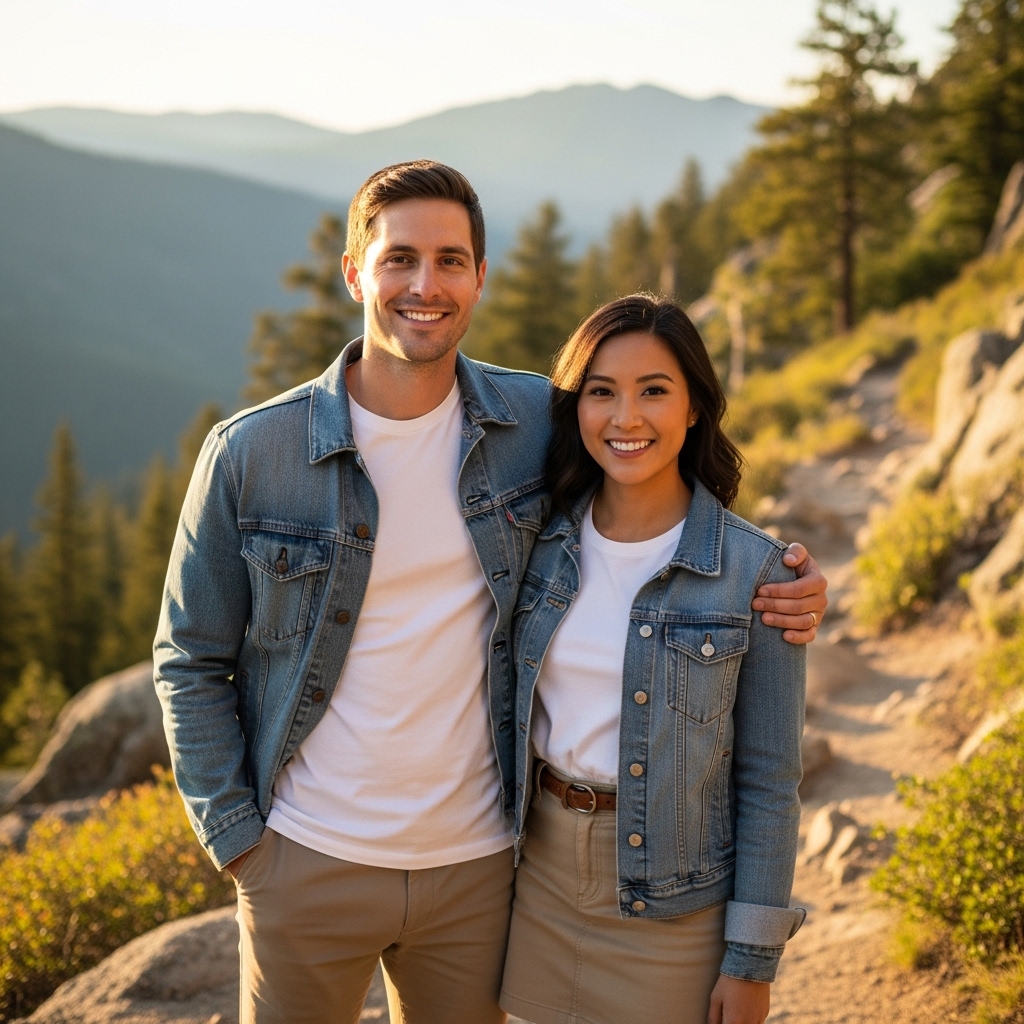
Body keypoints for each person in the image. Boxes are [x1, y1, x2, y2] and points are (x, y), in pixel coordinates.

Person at [154, 161, 826, 1024]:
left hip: (479, 872)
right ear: (355, 272)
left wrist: (782, 579)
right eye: (399, 259)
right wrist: (240, 843)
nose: (424, 285)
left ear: (479, 277)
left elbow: (650, 480)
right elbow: (189, 658)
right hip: (308, 858)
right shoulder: (254, 454)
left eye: (450, 260)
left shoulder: (536, 421)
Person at [500, 295, 806, 1024]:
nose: (626, 418)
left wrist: (751, 961)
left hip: (675, 904)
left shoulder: (756, 572)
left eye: (654, 391)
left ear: (695, 407)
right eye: (601, 392)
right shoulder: (534, 545)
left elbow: (770, 780)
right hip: (536, 879)